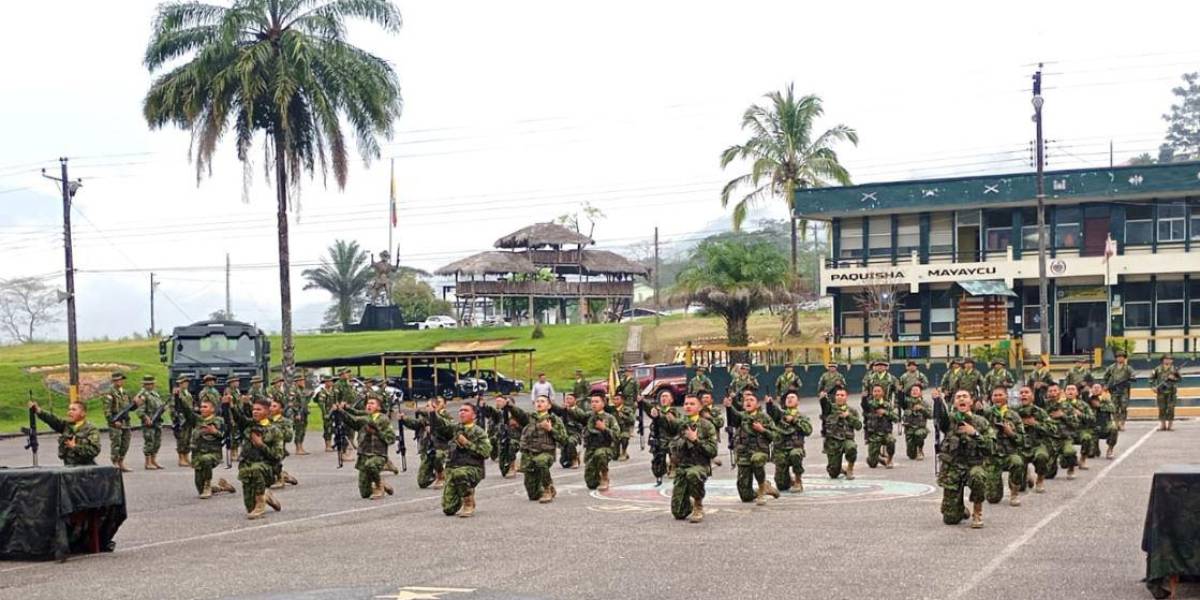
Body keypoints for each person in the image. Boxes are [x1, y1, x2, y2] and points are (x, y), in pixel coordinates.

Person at [936, 390, 995, 528]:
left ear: (971, 402)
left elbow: (990, 447)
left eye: (965, 396)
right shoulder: (950, 420)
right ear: (954, 403)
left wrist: (974, 433)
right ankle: (960, 509)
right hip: (953, 467)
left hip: (973, 465)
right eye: (958, 397)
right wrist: (938, 401)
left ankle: (977, 512)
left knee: (978, 476)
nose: (961, 399)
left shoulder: (981, 422)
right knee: (950, 519)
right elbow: (941, 418)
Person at [227, 397, 284, 519]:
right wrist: (231, 405)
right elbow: (238, 418)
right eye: (254, 409)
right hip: (246, 468)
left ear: (268, 412)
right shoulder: (249, 426)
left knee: (255, 469)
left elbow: (277, 456)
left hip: (267, 468)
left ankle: (260, 503)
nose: (255, 412)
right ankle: (265, 496)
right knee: (249, 508)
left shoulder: (275, 430)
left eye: (259, 409)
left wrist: (261, 445)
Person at [668, 394, 718, 523]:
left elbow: (713, 451)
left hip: (699, 465)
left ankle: (698, 505)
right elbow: (671, 443)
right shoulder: (680, 424)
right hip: (683, 466)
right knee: (678, 513)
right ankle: (687, 501)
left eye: (692, 404)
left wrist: (695, 440)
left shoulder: (707, 426)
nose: (688, 406)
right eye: (686, 404)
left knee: (693, 474)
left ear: (700, 407)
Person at [176, 395, 237, 498]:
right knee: (200, 489)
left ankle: (208, 485)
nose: (202, 409)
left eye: (205, 407)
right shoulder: (197, 420)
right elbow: (186, 411)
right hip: (197, 456)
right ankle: (223, 487)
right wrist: (178, 397)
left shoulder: (219, 420)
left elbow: (225, 435)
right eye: (201, 407)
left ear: (212, 409)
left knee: (206, 459)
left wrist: (215, 432)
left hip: (213, 454)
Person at [512, 395, 569, 503]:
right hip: (529, 454)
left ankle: (547, 489)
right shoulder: (529, 418)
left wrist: (550, 429)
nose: (539, 403)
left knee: (541, 461)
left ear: (549, 405)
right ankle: (550, 486)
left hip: (546, 453)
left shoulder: (553, 419)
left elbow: (564, 440)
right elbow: (518, 414)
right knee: (533, 495)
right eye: (537, 401)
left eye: (542, 401)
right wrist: (509, 406)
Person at [437, 403, 491, 517]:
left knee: (459, 473)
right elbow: (442, 425)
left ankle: (468, 503)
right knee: (448, 509)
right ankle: (466, 492)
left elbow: (486, 453)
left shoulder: (479, 432)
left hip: (473, 468)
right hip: (453, 468)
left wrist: (467, 443)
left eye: (466, 410)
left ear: (474, 415)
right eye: (460, 410)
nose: (462, 412)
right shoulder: (455, 429)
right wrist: (433, 413)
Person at [724, 392, 778, 505]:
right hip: (744, 455)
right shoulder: (741, 417)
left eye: (751, 400)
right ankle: (765, 488)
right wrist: (729, 406)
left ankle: (762, 488)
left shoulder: (764, 417)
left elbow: (775, 436)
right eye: (746, 400)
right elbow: (734, 416)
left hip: (760, 451)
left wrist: (762, 430)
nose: (748, 402)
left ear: (757, 404)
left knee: (757, 459)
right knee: (745, 496)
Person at [338, 395, 395, 500]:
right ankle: (381, 483)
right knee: (365, 493)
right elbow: (353, 421)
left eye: (372, 403)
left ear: (378, 407)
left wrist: (377, 432)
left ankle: (379, 487)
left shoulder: (383, 419)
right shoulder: (366, 417)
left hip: (377, 454)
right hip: (364, 454)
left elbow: (391, 439)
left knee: (371, 465)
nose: (369, 405)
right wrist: (340, 411)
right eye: (368, 403)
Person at [984, 386, 1025, 507]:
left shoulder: (1014, 415)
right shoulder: (986, 414)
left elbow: (1022, 440)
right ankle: (996, 483)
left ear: (1006, 397)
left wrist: (1010, 433)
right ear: (991, 398)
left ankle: (1014, 492)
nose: (997, 398)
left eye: (1000, 395)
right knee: (992, 499)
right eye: (995, 395)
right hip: (992, 457)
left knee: (1017, 462)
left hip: (1009, 454)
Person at [29, 399, 101, 466]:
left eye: (74, 410)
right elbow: (53, 420)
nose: (70, 412)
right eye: (69, 409)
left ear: (83, 413)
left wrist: (75, 447)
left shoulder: (91, 430)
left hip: (86, 471)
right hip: (68, 468)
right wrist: (38, 411)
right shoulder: (66, 426)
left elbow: (94, 450)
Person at [768, 391, 812, 493]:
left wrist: (794, 420)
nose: (789, 399)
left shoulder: (802, 417)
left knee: (795, 454)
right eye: (787, 397)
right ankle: (788, 479)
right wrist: (769, 404)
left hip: (795, 448)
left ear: (798, 402)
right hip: (781, 450)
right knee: (781, 485)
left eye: (792, 397)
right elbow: (772, 412)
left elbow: (808, 430)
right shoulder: (780, 414)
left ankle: (798, 481)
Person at [1016, 385, 1054, 494]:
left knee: (1041, 456)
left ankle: (1040, 480)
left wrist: (1036, 424)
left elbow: (1052, 429)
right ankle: (1027, 475)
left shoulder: (1040, 412)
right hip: (1020, 447)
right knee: (1021, 487)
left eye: (1026, 392)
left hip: (1037, 444)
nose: (1023, 394)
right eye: (1021, 393)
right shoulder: (1014, 412)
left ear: (1032, 397)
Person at [822, 387, 861, 480]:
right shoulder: (830, 409)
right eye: (837, 395)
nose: (839, 397)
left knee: (851, 447)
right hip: (833, 442)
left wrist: (849, 416)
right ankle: (839, 469)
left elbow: (859, 426)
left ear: (846, 397)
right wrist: (823, 398)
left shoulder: (852, 411)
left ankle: (850, 468)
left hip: (846, 439)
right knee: (833, 473)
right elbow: (824, 404)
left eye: (842, 395)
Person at [582, 392, 619, 491]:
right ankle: (596, 476)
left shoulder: (610, 418)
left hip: (605, 447)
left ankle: (604, 477)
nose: (594, 404)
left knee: (600, 454)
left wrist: (604, 428)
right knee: (591, 483)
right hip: (591, 449)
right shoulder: (588, 417)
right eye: (592, 402)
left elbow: (616, 435)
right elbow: (577, 416)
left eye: (597, 402)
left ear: (603, 403)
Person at [1047, 384, 1081, 480]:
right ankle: (1053, 466)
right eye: (1050, 391)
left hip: (1064, 438)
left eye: (1055, 391)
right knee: (1048, 475)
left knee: (1070, 451)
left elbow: (1076, 424)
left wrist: (1063, 416)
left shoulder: (1067, 406)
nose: (1053, 393)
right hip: (1050, 440)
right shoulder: (1044, 406)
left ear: (1060, 392)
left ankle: (1070, 469)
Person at [103, 372, 134, 472]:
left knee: (126, 443)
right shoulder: (109, 393)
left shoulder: (125, 392)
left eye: (121, 380)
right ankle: (115, 463)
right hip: (115, 422)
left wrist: (137, 403)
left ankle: (121, 462)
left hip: (126, 422)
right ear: (113, 381)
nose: (119, 382)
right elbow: (106, 410)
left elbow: (130, 407)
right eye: (117, 380)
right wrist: (113, 421)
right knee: (116, 443)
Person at [135, 375, 166, 470]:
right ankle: (147, 462)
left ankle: (153, 460)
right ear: (144, 385)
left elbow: (159, 405)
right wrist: (145, 418)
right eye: (148, 384)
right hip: (149, 422)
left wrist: (163, 408)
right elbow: (139, 410)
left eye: (152, 383)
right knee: (149, 441)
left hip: (157, 421)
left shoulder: (154, 394)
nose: (151, 385)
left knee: (157, 442)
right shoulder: (143, 395)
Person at [863, 383, 897, 469]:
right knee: (872, 464)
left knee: (891, 441)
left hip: (885, 433)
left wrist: (885, 413)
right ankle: (877, 458)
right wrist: (863, 398)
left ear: (883, 393)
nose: (877, 393)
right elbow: (865, 410)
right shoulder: (869, 404)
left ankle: (889, 460)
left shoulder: (888, 405)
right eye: (875, 391)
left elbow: (896, 418)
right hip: (873, 434)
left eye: (879, 391)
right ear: (872, 393)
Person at [268, 398, 298, 488]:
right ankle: (283, 475)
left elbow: (289, 438)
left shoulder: (286, 422)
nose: (271, 408)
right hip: (265, 448)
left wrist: (277, 432)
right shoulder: (266, 420)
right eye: (270, 406)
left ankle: (280, 479)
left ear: (280, 409)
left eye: (274, 406)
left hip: (279, 449)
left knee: (274, 460)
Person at [551, 393, 585, 469]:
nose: (568, 400)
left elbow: (581, 417)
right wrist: (551, 403)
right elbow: (556, 410)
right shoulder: (564, 410)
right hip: (564, 434)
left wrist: (569, 409)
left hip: (575, 434)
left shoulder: (578, 410)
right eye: (567, 399)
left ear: (575, 401)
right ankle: (574, 456)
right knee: (564, 463)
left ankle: (574, 459)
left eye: (570, 399)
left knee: (570, 441)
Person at [1103, 350, 1135, 431]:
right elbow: (1105, 377)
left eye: (1122, 357)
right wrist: (1106, 385)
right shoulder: (1111, 367)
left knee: (1123, 407)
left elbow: (1133, 376)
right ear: (1116, 358)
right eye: (1118, 357)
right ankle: (1116, 424)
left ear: (1124, 358)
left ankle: (1122, 423)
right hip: (1114, 390)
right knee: (1115, 408)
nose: (1120, 359)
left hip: (1124, 390)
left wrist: (1130, 378)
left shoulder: (1128, 368)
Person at [1149, 354, 1181, 432]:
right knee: (1162, 408)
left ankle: (1170, 426)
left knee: (1171, 408)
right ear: (1162, 360)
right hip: (1161, 392)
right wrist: (1153, 387)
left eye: (1170, 359)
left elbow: (1179, 379)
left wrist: (1174, 378)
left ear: (1172, 360)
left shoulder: (1175, 369)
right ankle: (1163, 425)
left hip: (1171, 392)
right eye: (1166, 359)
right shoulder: (1157, 369)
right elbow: (1151, 379)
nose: (1168, 360)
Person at [1088, 383, 1119, 459]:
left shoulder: (1105, 399)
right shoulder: (1087, 400)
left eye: (1098, 387)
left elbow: (1113, 409)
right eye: (1094, 387)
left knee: (1114, 429)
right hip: (1092, 428)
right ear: (1091, 389)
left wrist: (1100, 406)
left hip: (1104, 426)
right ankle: (1095, 448)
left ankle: (1110, 449)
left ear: (1101, 390)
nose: (1096, 389)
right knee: (1091, 454)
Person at [902, 384, 931, 460]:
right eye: (912, 390)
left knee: (919, 434)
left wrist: (922, 409)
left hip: (920, 428)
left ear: (920, 393)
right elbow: (900, 398)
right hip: (909, 429)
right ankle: (913, 450)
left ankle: (920, 450)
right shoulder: (906, 403)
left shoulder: (924, 403)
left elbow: (931, 415)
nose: (914, 392)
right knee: (911, 455)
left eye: (916, 390)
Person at [171, 375, 195, 467]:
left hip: (188, 418)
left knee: (188, 438)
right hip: (181, 419)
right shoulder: (177, 393)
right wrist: (176, 418)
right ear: (179, 383)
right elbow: (173, 407)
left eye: (187, 382)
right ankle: (181, 458)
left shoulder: (187, 393)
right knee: (181, 439)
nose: (186, 384)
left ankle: (186, 456)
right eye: (184, 382)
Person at [697, 390, 724, 466]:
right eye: (703, 398)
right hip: (700, 434)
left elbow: (720, 423)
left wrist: (710, 417)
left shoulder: (716, 410)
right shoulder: (698, 409)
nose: (705, 399)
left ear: (711, 400)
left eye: (707, 398)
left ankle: (713, 458)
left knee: (711, 448)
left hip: (713, 434)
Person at [609, 393, 637, 462]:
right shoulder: (612, 410)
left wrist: (623, 416)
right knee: (614, 456)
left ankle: (624, 452)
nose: (615, 401)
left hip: (624, 429)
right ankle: (619, 453)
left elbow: (632, 420)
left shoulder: (627, 409)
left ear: (622, 400)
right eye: (614, 399)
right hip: (615, 431)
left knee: (624, 437)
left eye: (617, 399)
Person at [288, 373, 311, 455]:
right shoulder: (293, 390)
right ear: (297, 381)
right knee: (299, 430)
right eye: (301, 380)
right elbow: (292, 403)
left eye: (303, 380)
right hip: (298, 413)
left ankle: (301, 446)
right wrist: (296, 413)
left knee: (303, 430)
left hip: (304, 413)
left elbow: (304, 401)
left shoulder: (302, 390)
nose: (303, 382)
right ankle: (298, 448)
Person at [314, 375, 336, 452]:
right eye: (329, 381)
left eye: (331, 381)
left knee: (335, 428)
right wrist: (325, 414)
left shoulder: (333, 391)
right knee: (328, 429)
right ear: (326, 382)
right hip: (327, 413)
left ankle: (334, 444)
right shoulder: (322, 392)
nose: (330, 383)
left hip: (335, 412)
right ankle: (328, 445)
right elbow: (321, 404)